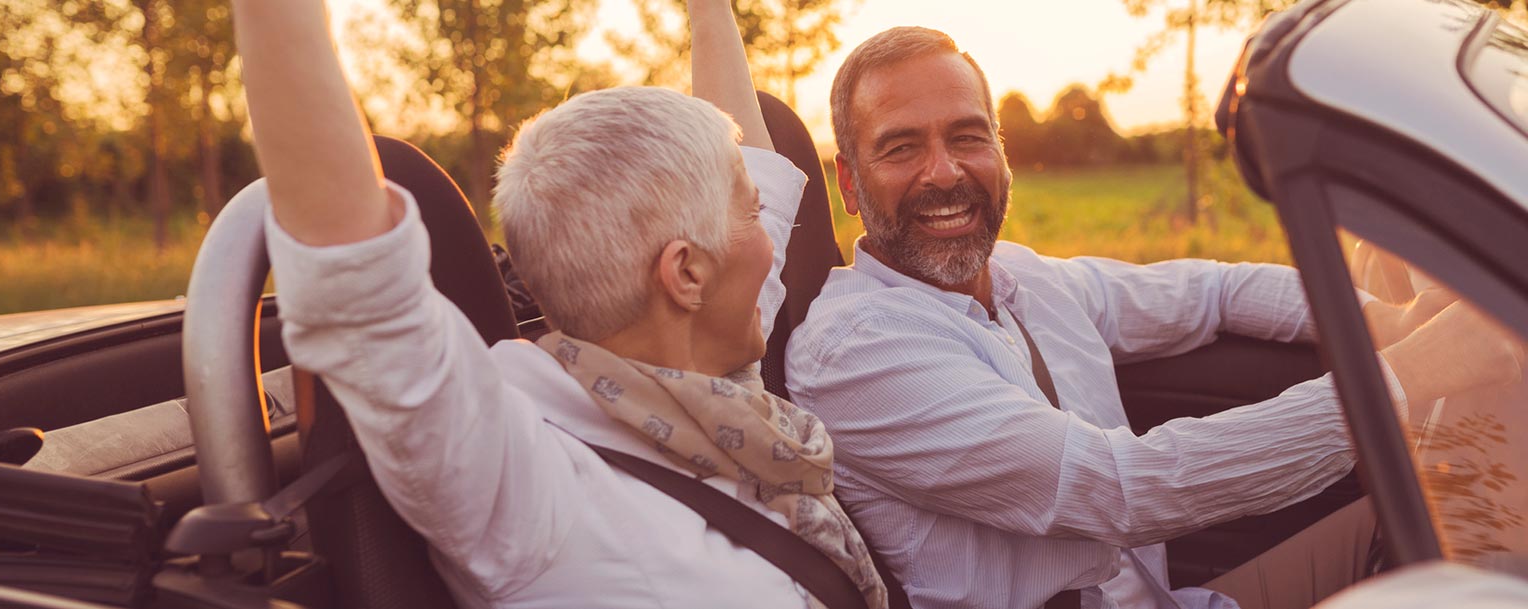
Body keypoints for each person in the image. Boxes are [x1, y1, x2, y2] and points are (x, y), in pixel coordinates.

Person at [785, 25, 1526, 609]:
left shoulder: (1027, 279)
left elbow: (1214, 292)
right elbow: (1122, 487)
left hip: (1174, 600)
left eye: (967, 136)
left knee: (1454, 520)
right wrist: (1408, 376)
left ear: (1001, 154)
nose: (944, 172)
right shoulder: (854, 351)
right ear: (849, 184)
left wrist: (1377, 319)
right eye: (901, 147)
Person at [228, 0, 888, 607]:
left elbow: (754, 163)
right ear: (685, 273)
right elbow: (358, 282)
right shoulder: (528, 487)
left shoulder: (714, 379)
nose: (773, 245)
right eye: (753, 217)